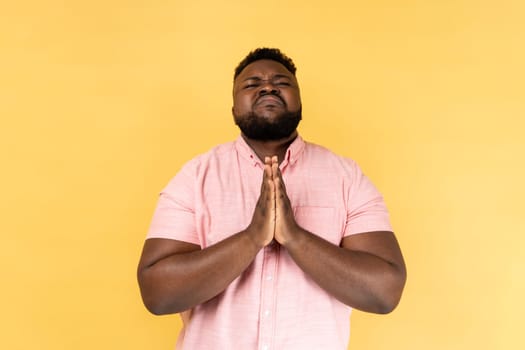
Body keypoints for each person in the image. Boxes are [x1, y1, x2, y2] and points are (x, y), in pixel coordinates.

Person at [137, 48, 406, 350]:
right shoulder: (195, 177)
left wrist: (295, 237)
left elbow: (385, 292)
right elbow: (157, 294)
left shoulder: (347, 177)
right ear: (233, 109)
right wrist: (252, 238)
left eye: (281, 82)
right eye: (252, 84)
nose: (268, 87)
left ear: (300, 101)